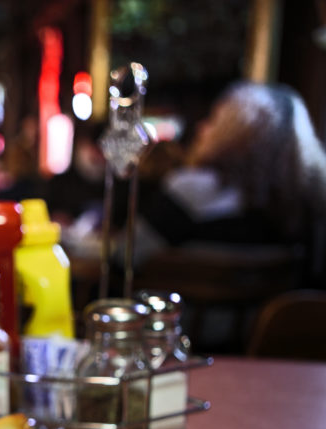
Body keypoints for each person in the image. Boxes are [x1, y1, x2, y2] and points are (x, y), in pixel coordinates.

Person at [137, 81, 326, 284]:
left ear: (233, 136)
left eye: (213, 119)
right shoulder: (308, 207)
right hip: (274, 315)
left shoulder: (191, 190)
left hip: (183, 313)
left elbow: (124, 258)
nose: (202, 127)